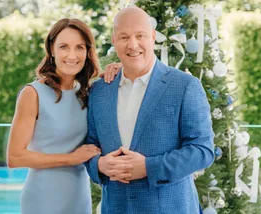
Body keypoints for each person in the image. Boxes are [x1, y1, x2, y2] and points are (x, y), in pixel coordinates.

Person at [85, 6, 215, 214]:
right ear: (114, 40)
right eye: (124, 37)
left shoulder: (185, 86)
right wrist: (99, 165)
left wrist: (148, 167)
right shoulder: (99, 91)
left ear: (153, 37)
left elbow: (203, 151)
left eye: (140, 35)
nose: (133, 44)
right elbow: (89, 145)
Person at [6, 18, 120, 214]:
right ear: (52, 49)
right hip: (42, 199)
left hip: (79, 198)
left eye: (79, 48)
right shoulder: (32, 94)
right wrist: (72, 158)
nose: (72, 55)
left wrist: (119, 70)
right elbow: (15, 157)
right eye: (64, 47)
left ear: (87, 52)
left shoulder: (88, 92)